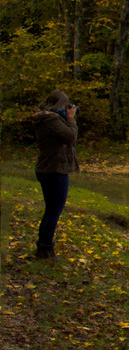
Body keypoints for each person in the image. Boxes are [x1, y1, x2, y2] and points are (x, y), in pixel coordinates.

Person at [30, 90, 76, 260]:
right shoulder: (51, 119)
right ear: (59, 105)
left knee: (51, 210)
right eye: (65, 106)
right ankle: (45, 248)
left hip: (47, 167)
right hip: (54, 169)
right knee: (53, 211)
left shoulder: (45, 118)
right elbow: (70, 136)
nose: (67, 109)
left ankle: (45, 246)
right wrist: (71, 119)